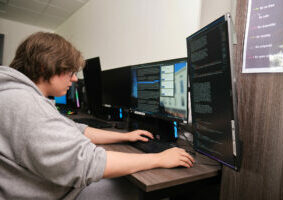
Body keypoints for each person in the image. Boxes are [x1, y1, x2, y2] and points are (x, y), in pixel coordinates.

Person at [0, 32, 194, 199]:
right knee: (135, 187)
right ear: (44, 66)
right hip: (55, 194)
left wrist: (125, 136)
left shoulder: (20, 97)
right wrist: (159, 159)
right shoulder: (25, 105)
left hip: (44, 185)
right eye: (70, 71)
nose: (75, 78)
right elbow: (88, 162)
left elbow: (75, 129)